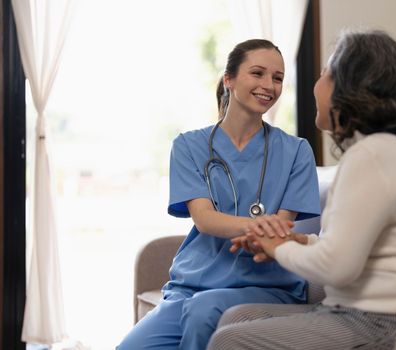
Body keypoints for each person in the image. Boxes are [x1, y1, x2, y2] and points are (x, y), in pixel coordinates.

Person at [207, 29, 396, 350]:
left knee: (230, 340)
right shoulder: (377, 151)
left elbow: (337, 267)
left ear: (351, 88)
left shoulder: (373, 155)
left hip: (390, 319)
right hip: (361, 310)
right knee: (237, 318)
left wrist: (278, 247)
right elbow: (351, 248)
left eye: (325, 74)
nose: (316, 85)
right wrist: (299, 241)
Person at [117, 39, 320, 350]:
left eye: (277, 78)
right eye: (258, 73)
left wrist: (265, 230)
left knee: (204, 312)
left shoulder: (297, 151)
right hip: (192, 286)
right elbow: (204, 219)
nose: (269, 85)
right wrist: (260, 227)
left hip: (268, 285)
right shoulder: (189, 146)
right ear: (229, 79)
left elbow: (281, 230)